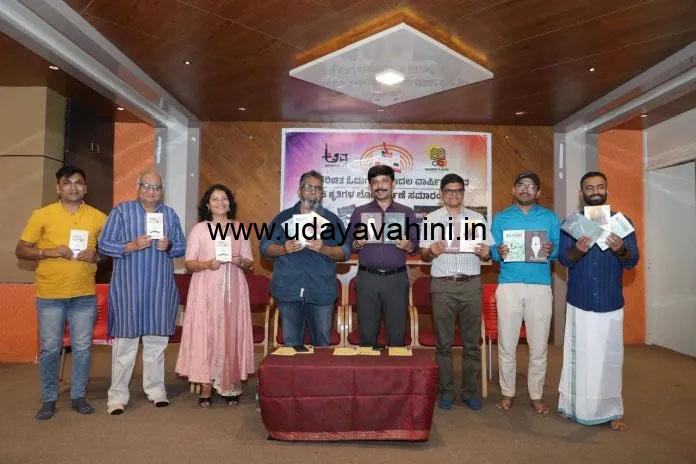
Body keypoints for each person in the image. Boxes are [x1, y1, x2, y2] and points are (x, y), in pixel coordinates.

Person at [16, 166, 106, 420]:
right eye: (67, 183)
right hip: (50, 295)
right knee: (50, 349)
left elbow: (110, 250)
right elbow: (21, 250)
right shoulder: (42, 215)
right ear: (58, 188)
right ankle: (49, 399)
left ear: (85, 188)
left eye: (79, 183)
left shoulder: (99, 217)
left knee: (82, 348)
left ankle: (78, 396)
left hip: (84, 295)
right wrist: (48, 252)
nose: (73, 187)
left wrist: (97, 256)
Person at [98, 171, 186, 415]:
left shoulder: (169, 214)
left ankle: (156, 390)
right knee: (125, 347)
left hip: (159, 291)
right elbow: (103, 244)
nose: (151, 191)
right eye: (146, 186)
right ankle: (117, 396)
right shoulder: (121, 212)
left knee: (156, 345)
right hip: (129, 291)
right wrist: (131, 245)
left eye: (156, 187)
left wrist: (169, 245)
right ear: (137, 187)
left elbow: (181, 247)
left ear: (162, 191)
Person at [557, 171, 639, 431]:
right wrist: (577, 250)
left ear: (607, 190)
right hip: (580, 301)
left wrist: (621, 249)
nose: (595, 192)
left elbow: (632, 260)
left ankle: (611, 410)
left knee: (609, 359)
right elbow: (564, 260)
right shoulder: (572, 224)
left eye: (600, 187)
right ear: (581, 193)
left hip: (610, 301)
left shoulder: (622, 223)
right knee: (579, 357)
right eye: (589, 188)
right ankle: (573, 406)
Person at [175, 184, 255, 407]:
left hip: (233, 290)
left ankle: (230, 383)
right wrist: (208, 264)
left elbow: (250, 261)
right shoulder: (199, 229)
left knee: (231, 332)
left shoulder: (239, 228)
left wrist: (241, 261)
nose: (221, 203)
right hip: (205, 289)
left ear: (230, 203)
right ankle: (206, 385)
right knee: (206, 333)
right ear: (208, 205)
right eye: (215, 199)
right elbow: (189, 263)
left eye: (224, 199)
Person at [490, 171, 560, 414]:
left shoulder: (550, 218)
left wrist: (550, 250)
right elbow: (492, 251)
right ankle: (507, 392)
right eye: (520, 185)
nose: (525, 189)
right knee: (506, 345)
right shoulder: (501, 218)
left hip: (540, 287)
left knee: (538, 346)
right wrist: (499, 251)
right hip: (508, 286)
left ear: (538, 193)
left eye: (531, 186)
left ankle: (536, 395)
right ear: (513, 190)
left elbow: (558, 251)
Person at [420, 173, 490, 411]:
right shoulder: (431, 219)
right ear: (442, 194)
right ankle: (446, 391)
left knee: (472, 343)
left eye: (458, 190)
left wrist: (486, 253)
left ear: (463, 193)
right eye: (449, 191)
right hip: (443, 286)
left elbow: (488, 253)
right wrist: (431, 250)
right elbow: (423, 255)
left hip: (471, 285)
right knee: (444, 344)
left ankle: (469, 392)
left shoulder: (477, 218)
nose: (454, 195)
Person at [260, 170, 350, 346]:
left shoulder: (332, 221)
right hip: (288, 291)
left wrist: (325, 249)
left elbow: (345, 251)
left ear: (322, 194)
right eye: (308, 187)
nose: (313, 192)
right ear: (299, 191)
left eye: (318, 188)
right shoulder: (282, 218)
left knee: (322, 346)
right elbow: (265, 247)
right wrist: (283, 248)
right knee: (291, 346)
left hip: (321, 292)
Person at [349, 165, 419, 347]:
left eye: (384, 181)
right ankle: (367, 365)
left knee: (397, 334)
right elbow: (349, 245)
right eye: (375, 182)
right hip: (367, 279)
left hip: (396, 280)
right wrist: (358, 243)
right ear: (370, 186)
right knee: (366, 333)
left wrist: (408, 245)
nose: (379, 186)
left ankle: (397, 367)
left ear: (393, 184)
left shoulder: (406, 212)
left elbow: (416, 246)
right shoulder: (360, 212)